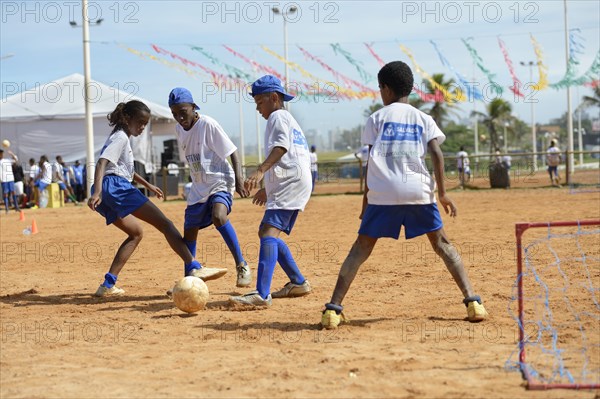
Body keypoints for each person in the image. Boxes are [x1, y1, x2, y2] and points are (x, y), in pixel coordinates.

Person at [320, 61, 488, 329]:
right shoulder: (424, 119)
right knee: (442, 244)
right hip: (418, 191)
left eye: (379, 88)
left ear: (385, 89)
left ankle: (332, 310)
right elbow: (436, 153)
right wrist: (442, 193)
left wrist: (366, 202)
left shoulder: (376, 118)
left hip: (383, 193)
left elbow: (372, 163)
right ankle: (473, 302)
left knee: (360, 248)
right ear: (409, 88)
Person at [88, 100, 215, 297]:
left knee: (136, 233)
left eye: (145, 124)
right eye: (140, 123)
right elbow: (102, 163)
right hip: (114, 188)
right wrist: (96, 192)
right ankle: (194, 265)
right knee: (165, 223)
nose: (142, 128)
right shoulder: (120, 138)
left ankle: (107, 284)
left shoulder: (121, 137)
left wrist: (148, 185)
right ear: (127, 118)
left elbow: (125, 171)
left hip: (110, 189)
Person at [229, 75, 312, 306]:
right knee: (266, 232)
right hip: (292, 181)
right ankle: (297, 282)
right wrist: (268, 188)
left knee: (268, 234)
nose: (258, 109)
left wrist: (260, 172)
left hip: (290, 184)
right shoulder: (286, 118)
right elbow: (290, 154)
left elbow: (281, 148)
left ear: (274, 98)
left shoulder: (277, 116)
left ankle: (262, 294)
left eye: (259, 103)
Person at [168, 87, 251, 288]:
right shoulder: (179, 129)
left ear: (194, 107)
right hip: (199, 186)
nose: (179, 117)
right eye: (175, 114)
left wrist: (239, 180)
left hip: (220, 181)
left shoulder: (208, 124)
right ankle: (190, 278)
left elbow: (233, 152)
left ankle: (242, 265)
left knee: (218, 216)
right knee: (189, 231)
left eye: (183, 111)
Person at [0, 149, 20, 213]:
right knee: (5, 194)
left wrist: (12, 154)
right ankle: (7, 208)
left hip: (10, 178)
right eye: (0, 153)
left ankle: (16, 207)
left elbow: (16, 160)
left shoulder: (7, 160)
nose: (1, 154)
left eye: (2, 153)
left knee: (13, 192)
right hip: (4, 179)